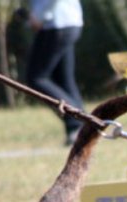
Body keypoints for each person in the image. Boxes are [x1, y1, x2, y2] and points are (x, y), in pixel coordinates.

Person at [25, 0, 84, 145]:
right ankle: (80, 130)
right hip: (66, 22)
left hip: (56, 24)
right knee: (64, 80)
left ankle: (78, 122)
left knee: (37, 78)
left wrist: (39, 16)